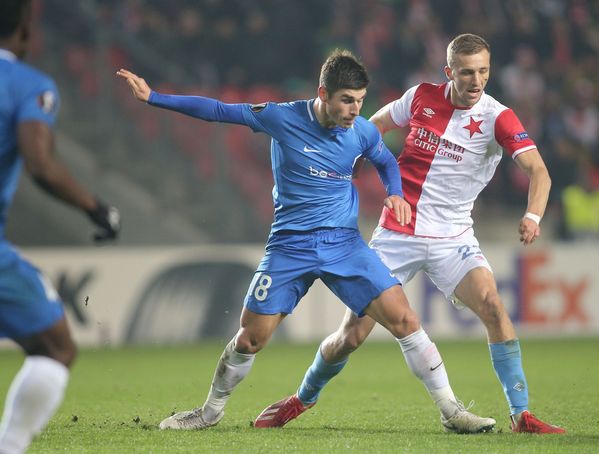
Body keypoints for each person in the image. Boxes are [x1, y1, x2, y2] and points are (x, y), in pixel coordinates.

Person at [116, 49, 496, 434]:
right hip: (289, 246)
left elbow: (384, 161)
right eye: (347, 100)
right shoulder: (283, 117)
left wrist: (394, 192)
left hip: (344, 245)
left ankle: (451, 411)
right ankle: (209, 412)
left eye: (361, 101)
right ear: (323, 93)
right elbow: (219, 110)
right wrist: (154, 98)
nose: (354, 110)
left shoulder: (361, 130)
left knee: (405, 319)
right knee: (250, 339)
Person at [255, 33, 566, 434]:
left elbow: (538, 171)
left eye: (484, 71)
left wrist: (533, 215)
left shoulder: (498, 117)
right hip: (397, 233)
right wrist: (342, 162)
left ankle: (521, 415)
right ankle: (302, 398)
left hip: (453, 236)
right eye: (467, 72)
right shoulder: (420, 96)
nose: (476, 81)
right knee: (351, 335)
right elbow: (375, 126)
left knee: (493, 306)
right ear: (449, 71)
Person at [0, 1, 121, 453]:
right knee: (55, 347)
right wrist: (96, 207)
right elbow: (40, 164)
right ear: (26, 30)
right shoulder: (27, 85)